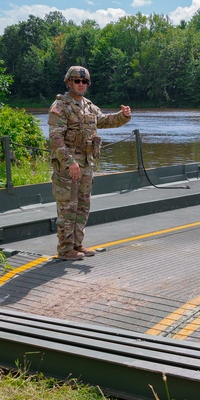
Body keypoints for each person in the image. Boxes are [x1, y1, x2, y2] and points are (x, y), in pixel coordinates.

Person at [47, 66, 132, 260]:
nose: (81, 84)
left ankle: (77, 245)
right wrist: (69, 162)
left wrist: (123, 115)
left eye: (84, 82)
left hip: (86, 163)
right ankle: (65, 249)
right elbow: (55, 137)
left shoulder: (88, 106)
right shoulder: (61, 106)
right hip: (69, 166)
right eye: (77, 81)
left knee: (83, 206)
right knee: (68, 207)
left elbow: (105, 121)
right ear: (69, 82)